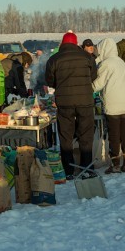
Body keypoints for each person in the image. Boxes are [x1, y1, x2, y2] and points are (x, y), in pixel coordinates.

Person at [45, 32, 97, 179]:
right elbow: (93, 76)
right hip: (85, 101)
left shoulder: (54, 59)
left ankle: (68, 170)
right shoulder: (87, 57)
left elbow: (49, 80)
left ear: (62, 43)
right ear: (76, 43)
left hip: (64, 102)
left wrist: (60, 85)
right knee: (86, 135)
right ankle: (87, 168)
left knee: (65, 136)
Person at [92, 38, 125, 174]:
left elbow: (98, 84)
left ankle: (115, 163)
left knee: (114, 135)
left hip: (113, 105)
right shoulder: (121, 62)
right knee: (124, 134)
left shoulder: (107, 64)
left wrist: (88, 88)